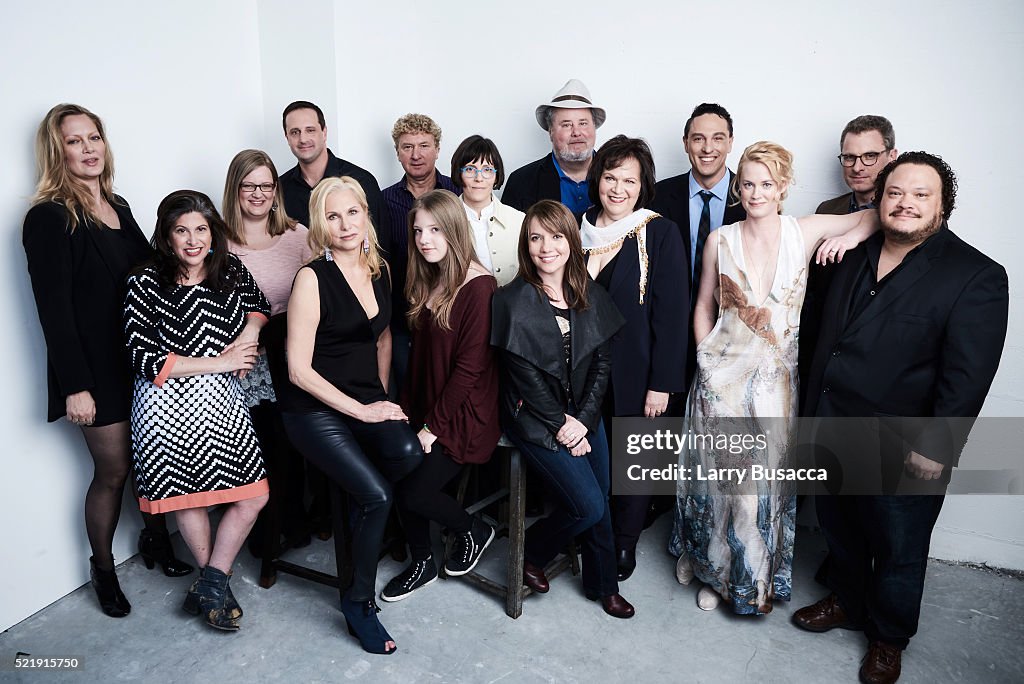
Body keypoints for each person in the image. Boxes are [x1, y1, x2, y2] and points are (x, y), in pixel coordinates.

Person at [793, 152, 1008, 684]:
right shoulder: (848, 253)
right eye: (895, 193)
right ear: (880, 199)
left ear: (943, 206)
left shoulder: (974, 275)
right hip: (833, 424)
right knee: (840, 531)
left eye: (921, 195)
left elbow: (968, 375)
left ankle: (888, 639)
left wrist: (939, 445)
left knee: (899, 548)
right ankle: (846, 600)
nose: (905, 203)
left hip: (907, 442)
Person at [670, 141, 878, 615]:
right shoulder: (719, 240)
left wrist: (847, 239)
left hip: (773, 386)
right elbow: (703, 304)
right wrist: (705, 356)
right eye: (748, 184)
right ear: (738, 188)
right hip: (719, 379)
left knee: (756, 491)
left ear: (783, 188)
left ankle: (742, 582)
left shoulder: (803, 232)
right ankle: (705, 562)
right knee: (716, 482)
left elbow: (871, 215)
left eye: (767, 184)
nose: (756, 192)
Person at [22, 103, 192, 619]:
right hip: (93, 370)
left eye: (93, 137)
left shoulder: (118, 206)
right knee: (114, 471)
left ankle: (156, 543)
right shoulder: (48, 218)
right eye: (74, 141)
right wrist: (76, 385)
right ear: (58, 152)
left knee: (153, 462)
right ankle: (102, 569)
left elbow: (152, 273)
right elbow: (53, 310)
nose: (88, 148)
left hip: (139, 360)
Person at [280, 176, 422, 655]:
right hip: (314, 409)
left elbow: (381, 338)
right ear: (321, 222)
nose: (344, 224)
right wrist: (363, 411)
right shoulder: (311, 278)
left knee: (407, 452)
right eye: (333, 215)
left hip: (363, 398)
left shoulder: (378, 268)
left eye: (353, 213)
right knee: (379, 495)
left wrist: (380, 398)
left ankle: (360, 508)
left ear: (366, 216)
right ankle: (358, 600)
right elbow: (298, 371)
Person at [125, 190, 271, 631]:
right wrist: (222, 361)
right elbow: (143, 358)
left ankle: (210, 580)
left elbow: (259, 306)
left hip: (222, 401)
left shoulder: (227, 268)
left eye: (201, 230)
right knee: (188, 499)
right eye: (181, 231)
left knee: (254, 495)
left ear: (213, 232)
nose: (192, 240)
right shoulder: (144, 279)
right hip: (165, 407)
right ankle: (217, 585)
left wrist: (248, 335)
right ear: (167, 237)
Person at [491, 200, 633, 618]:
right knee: (587, 506)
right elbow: (523, 378)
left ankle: (603, 585)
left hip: (583, 414)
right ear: (526, 245)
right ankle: (529, 552)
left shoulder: (590, 293)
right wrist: (562, 424)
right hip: (535, 417)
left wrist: (584, 421)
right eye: (536, 238)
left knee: (601, 499)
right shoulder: (511, 300)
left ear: (571, 242)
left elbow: (602, 364)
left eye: (555, 237)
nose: (545, 247)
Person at [380, 189, 500, 602]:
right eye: (418, 231)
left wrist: (432, 426)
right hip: (427, 403)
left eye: (435, 230)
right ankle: (422, 561)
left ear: (453, 231)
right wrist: (408, 411)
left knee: (413, 491)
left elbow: (469, 371)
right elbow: (421, 359)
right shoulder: (429, 278)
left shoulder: (479, 286)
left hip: (463, 413)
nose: (424, 239)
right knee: (395, 471)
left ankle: (474, 529)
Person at [580, 135, 688, 581]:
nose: (618, 188)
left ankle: (624, 544)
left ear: (642, 186)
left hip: (636, 371)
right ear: (597, 179)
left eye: (629, 180)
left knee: (635, 461)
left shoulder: (658, 232)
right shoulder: (576, 228)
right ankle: (592, 533)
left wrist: (661, 383)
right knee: (588, 457)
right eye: (610, 177)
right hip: (581, 372)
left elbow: (673, 313)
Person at [222, 149, 313, 551]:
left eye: (266, 185)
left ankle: (294, 522)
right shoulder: (217, 240)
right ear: (235, 189)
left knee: (290, 445)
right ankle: (263, 532)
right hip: (240, 365)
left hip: (290, 357)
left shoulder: (299, 236)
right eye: (249, 185)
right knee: (255, 451)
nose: (258, 193)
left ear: (276, 190)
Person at [800, 115, 898, 412]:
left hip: (883, 356)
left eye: (870, 156)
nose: (857, 166)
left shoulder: (908, 214)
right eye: (849, 157)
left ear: (891, 157)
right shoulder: (828, 210)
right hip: (827, 352)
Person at [650, 103, 748, 389]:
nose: (708, 148)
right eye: (698, 138)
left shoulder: (752, 199)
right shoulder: (657, 196)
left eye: (718, 138)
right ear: (685, 144)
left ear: (730, 142)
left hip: (732, 345)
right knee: (661, 433)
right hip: (667, 341)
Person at [380, 114, 459, 397]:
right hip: (402, 317)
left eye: (424, 145)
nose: (416, 155)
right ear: (397, 152)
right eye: (407, 147)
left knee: (446, 388)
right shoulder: (383, 201)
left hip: (450, 313)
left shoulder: (456, 192)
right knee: (407, 391)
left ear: (437, 149)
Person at [279, 100, 384, 236]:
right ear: (287, 137)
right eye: (295, 132)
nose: (303, 139)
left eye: (310, 130)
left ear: (324, 132)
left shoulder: (361, 180)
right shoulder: (280, 189)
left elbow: (382, 244)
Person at [502, 79, 606, 214]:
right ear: (550, 131)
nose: (576, 132)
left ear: (594, 128)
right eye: (566, 125)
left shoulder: (621, 177)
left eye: (583, 123)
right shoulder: (521, 182)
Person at [450, 134, 525, 285]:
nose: (479, 178)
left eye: (487, 170)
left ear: (496, 176)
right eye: (470, 169)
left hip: (512, 306)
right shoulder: (444, 219)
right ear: (459, 173)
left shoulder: (520, 220)